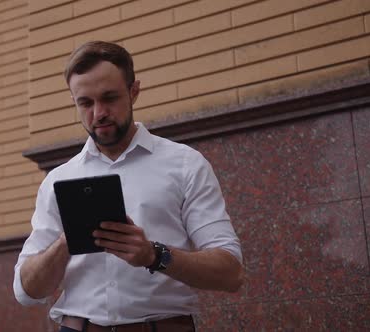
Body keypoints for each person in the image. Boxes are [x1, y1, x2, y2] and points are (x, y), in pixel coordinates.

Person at [13, 41, 244, 332]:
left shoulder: (185, 164)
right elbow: (25, 290)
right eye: (85, 103)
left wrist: (154, 255)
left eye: (109, 98)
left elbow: (231, 272)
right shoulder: (58, 181)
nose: (99, 113)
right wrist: (64, 244)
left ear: (134, 92)